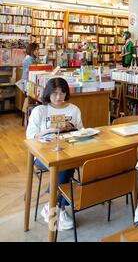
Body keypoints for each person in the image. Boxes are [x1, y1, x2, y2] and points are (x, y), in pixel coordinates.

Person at [26, 78, 83, 231]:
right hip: (43, 155)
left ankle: (53, 206)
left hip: (68, 150)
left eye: (62, 93)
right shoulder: (40, 110)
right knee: (66, 167)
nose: (59, 97)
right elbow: (30, 136)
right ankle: (60, 208)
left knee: (67, 163)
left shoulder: (73, 109)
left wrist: (71, 128)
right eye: (55, 93)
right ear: (48, 93)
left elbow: (81, 131)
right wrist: (47, 131)